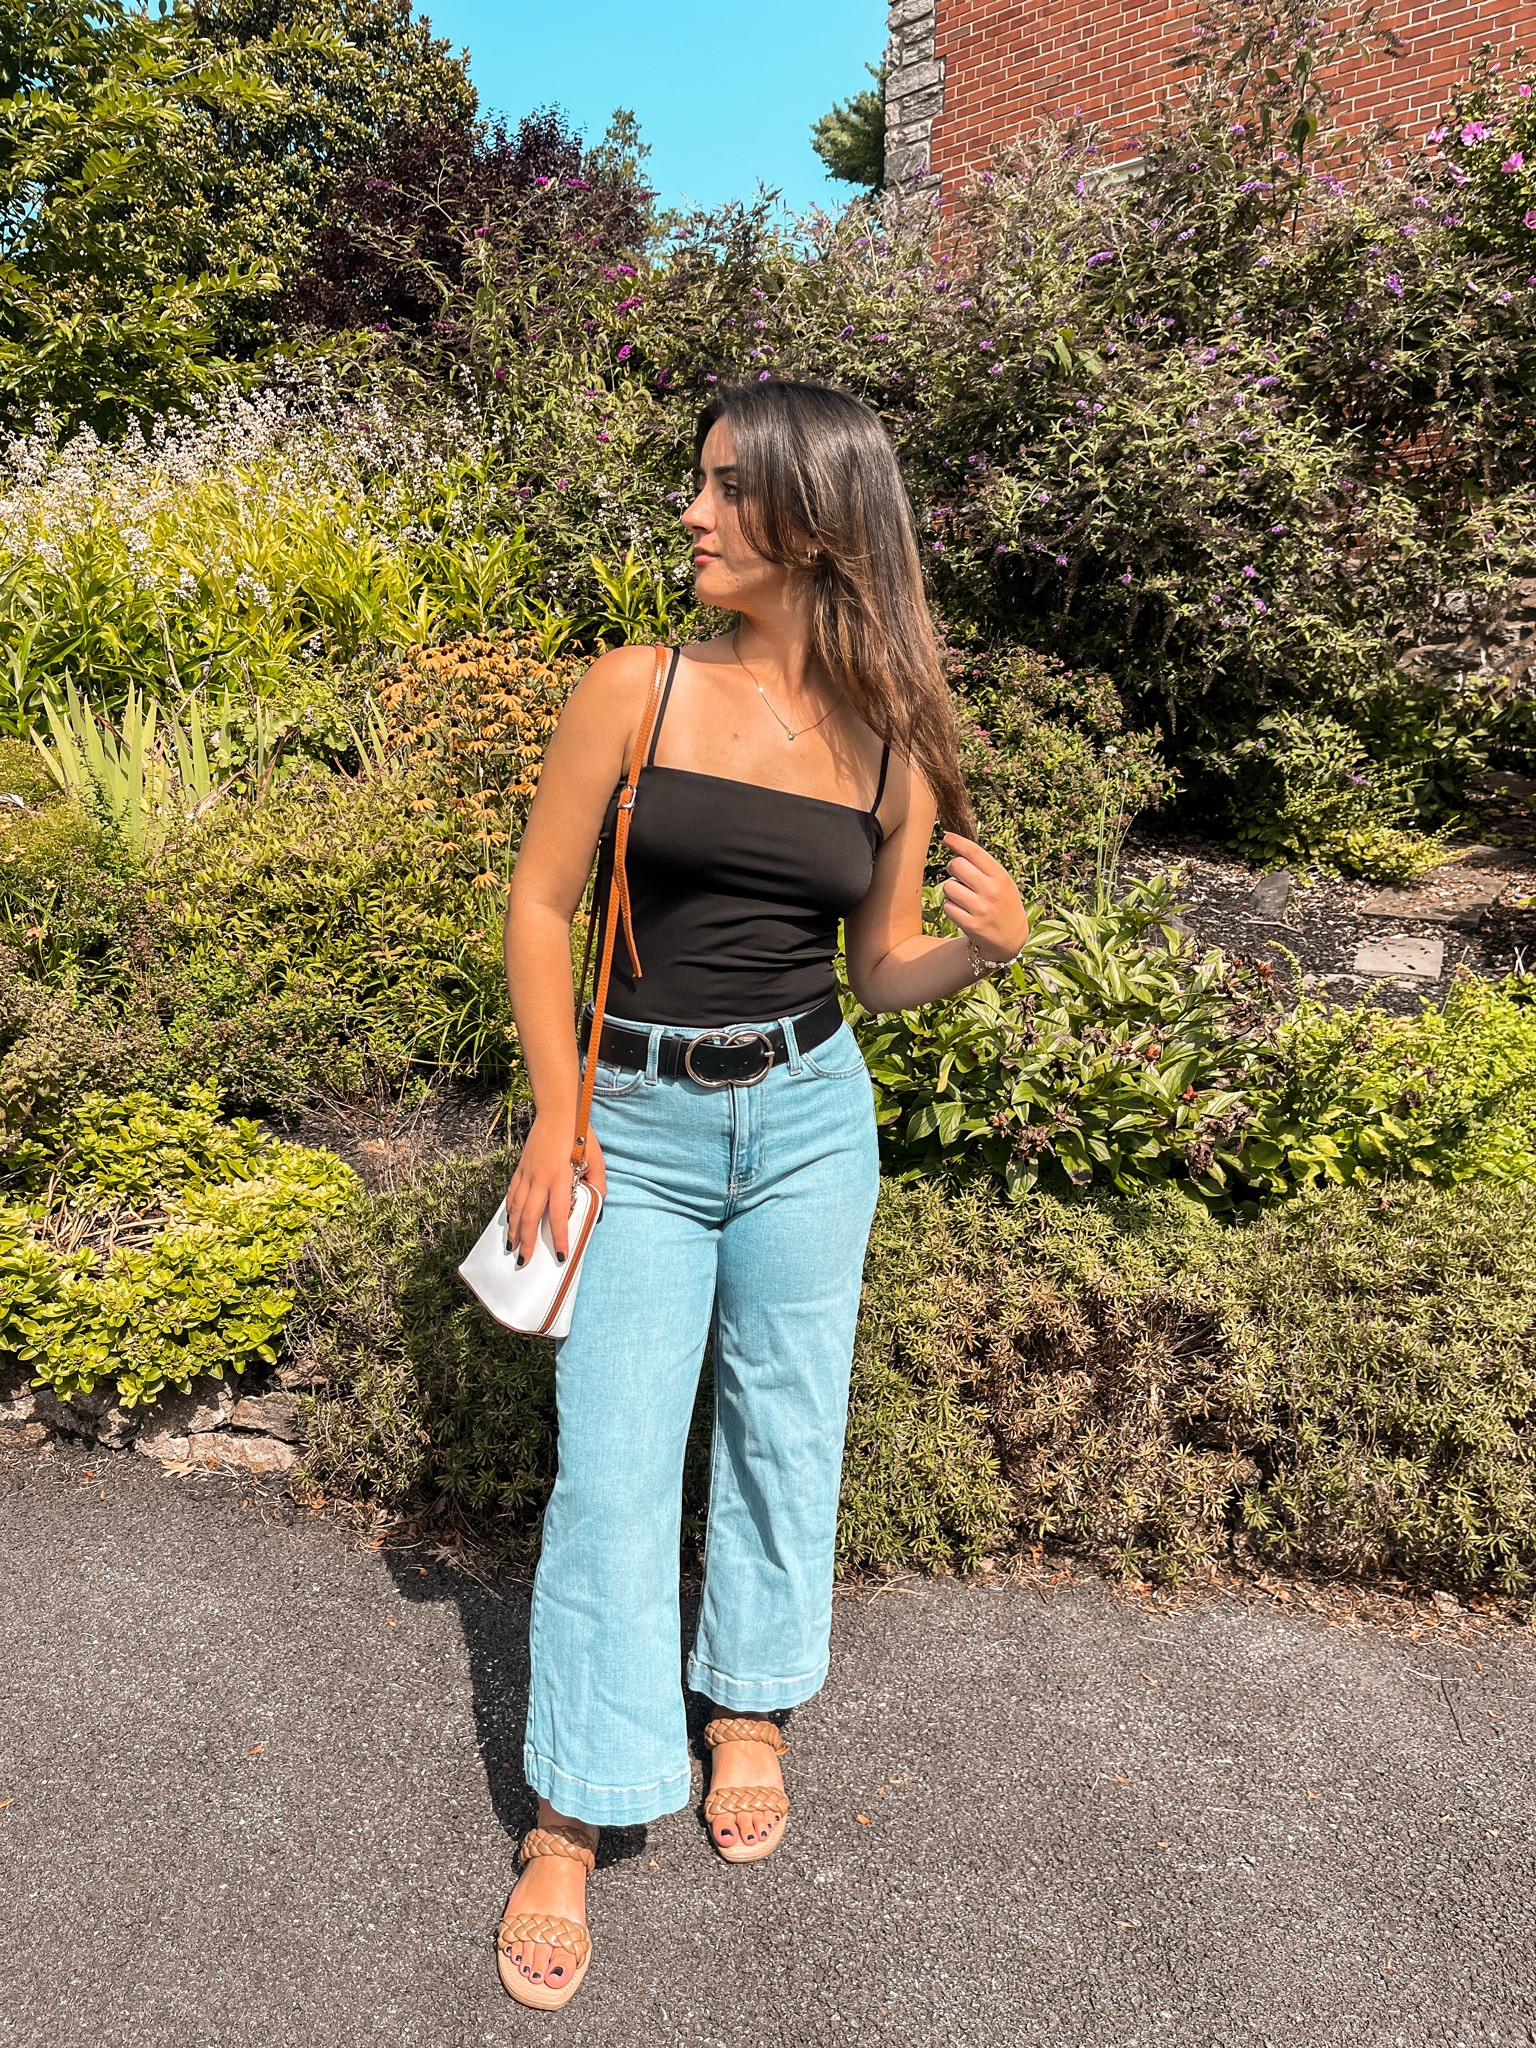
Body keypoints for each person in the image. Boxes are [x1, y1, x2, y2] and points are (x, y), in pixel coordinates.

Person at [494, 379, 1029, 2009]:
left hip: (807, 1115)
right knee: (614, 1466)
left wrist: (975, 955)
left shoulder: (893, 741)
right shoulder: (634, 690)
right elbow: (539, 898)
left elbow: (876, 971)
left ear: (815, 514)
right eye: (699, 485)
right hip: (635, 1132)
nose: (695, 514)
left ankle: (746, 1703)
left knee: (788, 1426)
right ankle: (576, 1808)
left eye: (726, 488)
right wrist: (555, 1112)